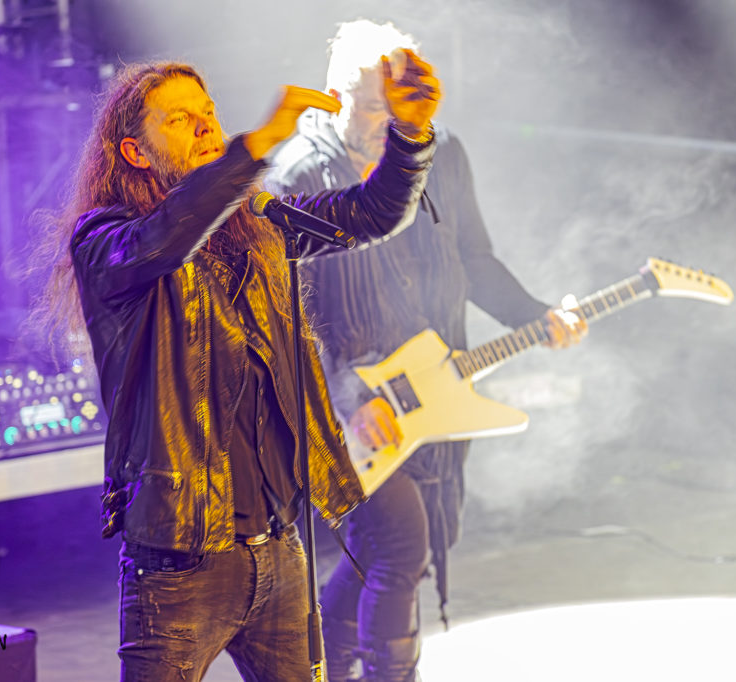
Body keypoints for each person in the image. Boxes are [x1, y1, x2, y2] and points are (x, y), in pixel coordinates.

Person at [29, 54, 440, 681]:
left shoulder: (260, 225)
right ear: (135, 152)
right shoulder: (106, 241)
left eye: (209, 112)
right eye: (179, 119)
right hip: (180, 564)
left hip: (279, 550)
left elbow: (369, 214)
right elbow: (169, 235)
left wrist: (408, 136)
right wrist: (258, 144)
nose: (205, 127)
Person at [267, 20, 587, 682]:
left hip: (434, 386)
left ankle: (322, 668)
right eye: (371, 105)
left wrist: (534, 315)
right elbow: (284, 319)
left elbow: (474, 259)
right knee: (397, 545)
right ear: (333, 97)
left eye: (400, 107)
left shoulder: (442, 153)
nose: (391, 122)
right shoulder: (297, 176)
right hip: (345, 401)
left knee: (388, 551)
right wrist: (347, 397)